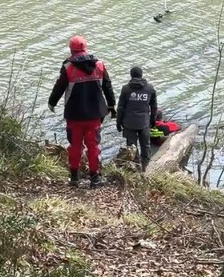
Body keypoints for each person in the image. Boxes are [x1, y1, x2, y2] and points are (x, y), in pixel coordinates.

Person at [48, 35, 116, 188]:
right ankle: (95, 179)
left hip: (74, 115)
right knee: (94, 146)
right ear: (86, 48)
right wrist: (111, 107)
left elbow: (59, 86)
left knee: (75, 147)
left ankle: (74, 178)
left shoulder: (68, 67)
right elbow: (108, 87)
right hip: (95, 115)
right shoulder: (99, 65)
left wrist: (52, 102)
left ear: (71, 50)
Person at [116, 66, 158, 170]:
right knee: (146, 146)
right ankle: (146, 168)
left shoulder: (126, 89)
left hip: (129, 123)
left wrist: (118, 122)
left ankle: (135, 169)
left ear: (131, 75)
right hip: (144, 122)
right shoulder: (150, 88)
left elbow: (120, 107)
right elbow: (154, 106)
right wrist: (153, 121)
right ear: (141, 75)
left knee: (131, 148)